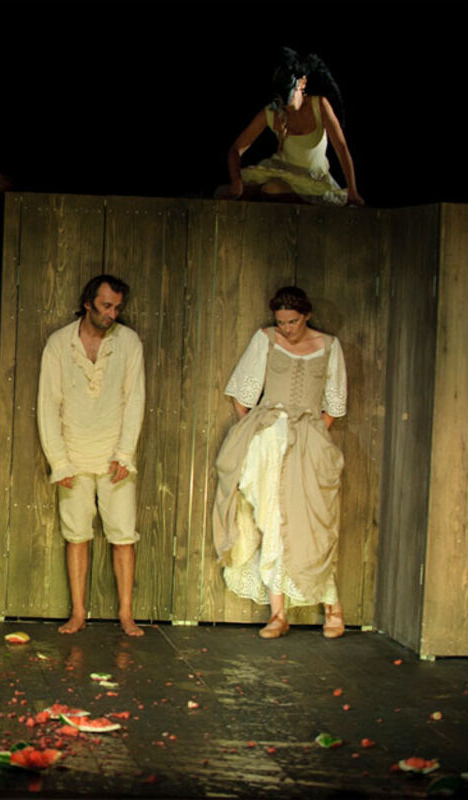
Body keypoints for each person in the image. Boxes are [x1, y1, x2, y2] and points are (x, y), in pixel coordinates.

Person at [212, 287, 347, 639]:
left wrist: (313, 434)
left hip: (307, 440)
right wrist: (257, 432)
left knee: (312, 523)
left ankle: (332, 606)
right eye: (281, 322)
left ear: (307, 316)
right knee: (271, 519)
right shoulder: (266, 340)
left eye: (293, 321)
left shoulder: (329, 346)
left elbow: (334, 404)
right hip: (269, 440)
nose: (286, 328)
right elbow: (243, 394)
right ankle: (277, 613)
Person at [37, 275, 145, 637]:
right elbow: (48, 404)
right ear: (88, 303)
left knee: (123, 536)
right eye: (105, 306)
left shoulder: (128, 342)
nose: (112, 313)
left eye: (117, 307)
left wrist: (125, 453)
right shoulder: (59, 343)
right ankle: (78, 613)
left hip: (115, 455)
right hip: (73, 453)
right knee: (76, 535)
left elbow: (135, 399)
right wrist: (59, 461)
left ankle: (126, 614)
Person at [222, 48, 363, 206]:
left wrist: (352, 190)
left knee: (272, 189)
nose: (285, 104)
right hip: (284, 173)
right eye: (281, 98)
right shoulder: (273, 111)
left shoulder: (319, 106)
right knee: (258, 189)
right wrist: (236, 183)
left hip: (312, 178)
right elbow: (235, 149)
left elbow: (342, 148)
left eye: (289, 95)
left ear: (302, 83)